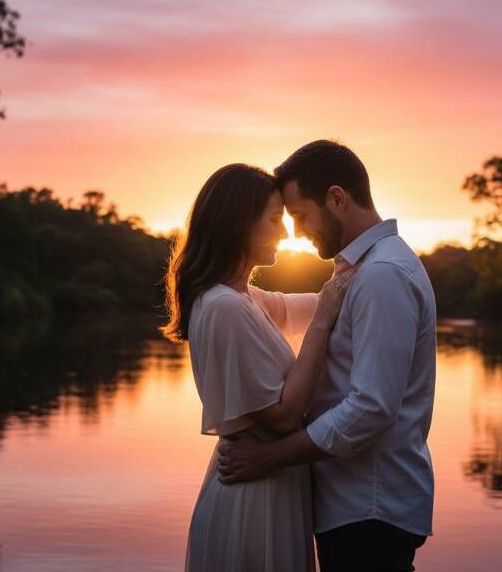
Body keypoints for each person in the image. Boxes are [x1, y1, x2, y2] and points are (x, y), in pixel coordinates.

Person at [217, 140, 438, 572]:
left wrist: (269, 457)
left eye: (300, 216)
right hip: (356, 507)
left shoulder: (381, 276)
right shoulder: (362, 269)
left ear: (336, 198)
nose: (297, 232)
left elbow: (371, 408)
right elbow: (282, 309)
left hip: (370, 509)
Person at [161, 163, 357, 572]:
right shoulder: (225, 306)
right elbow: (283, 416)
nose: (285, 233)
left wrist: (357, 274)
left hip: (270, 487)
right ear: (239, 224)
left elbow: (307, 304)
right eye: (274, 220)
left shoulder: (243, 298)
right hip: (253, 500)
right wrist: (323, 321)